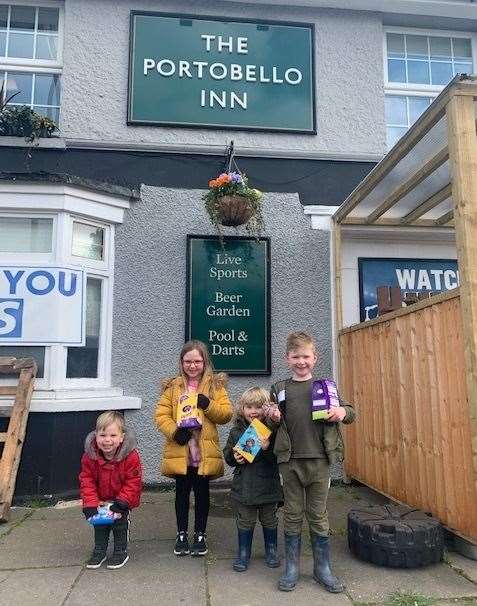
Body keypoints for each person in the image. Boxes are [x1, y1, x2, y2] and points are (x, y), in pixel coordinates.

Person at [270, 331, 355, 593]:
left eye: (306, 356)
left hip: (320, 462)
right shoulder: (280, 389)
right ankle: (292, 568)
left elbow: (350, 412)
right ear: (287, 358)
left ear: (314, 358)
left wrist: (341, 412)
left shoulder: (325, 386)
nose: (301, 361)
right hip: (289, 461)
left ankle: (322, 569)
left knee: (318, 515)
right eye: (295, 356)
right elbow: (271, 423)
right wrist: (271, 416)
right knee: (293, 514)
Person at [155, 340, 232, 557]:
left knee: (202, 494)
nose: (192, 366)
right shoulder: (173, 387)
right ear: (181, 362)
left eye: (197, 361)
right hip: (181, 449)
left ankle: (200, 534)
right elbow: (161, 416)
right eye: (188, 361)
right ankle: (181, 534)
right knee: (181, 493)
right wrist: (175, 432)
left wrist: (207, 404)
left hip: (203, 451)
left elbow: (226, 414)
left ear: (204, 362)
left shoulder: (215, 386)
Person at [223, 387, 283, 572]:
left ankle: (271, 550)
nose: (253, 411)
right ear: (242, 409)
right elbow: (228, 455)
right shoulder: (236, 432)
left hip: (268, 486)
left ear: (266, 410)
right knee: (245, 521)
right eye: (249, 407)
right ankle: (243, 553)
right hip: (245, 487)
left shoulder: (273, 432)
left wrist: (266, 449)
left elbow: (279, 458)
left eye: (258, 407)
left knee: (269, 520)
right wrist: (235, 458)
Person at [79, 410, 142, 570]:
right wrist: (90, 503)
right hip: (100, 499)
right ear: (96, 436)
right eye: (103, 435)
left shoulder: (131, 456)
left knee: (119, 525)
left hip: (121, 500)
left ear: (121, 437)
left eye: (113, 436)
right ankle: (99, 550)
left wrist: (122, 501)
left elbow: (133, 481)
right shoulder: (89, 457)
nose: (107, 440)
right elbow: (87, 480)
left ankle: (120, 551)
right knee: (99, 525)